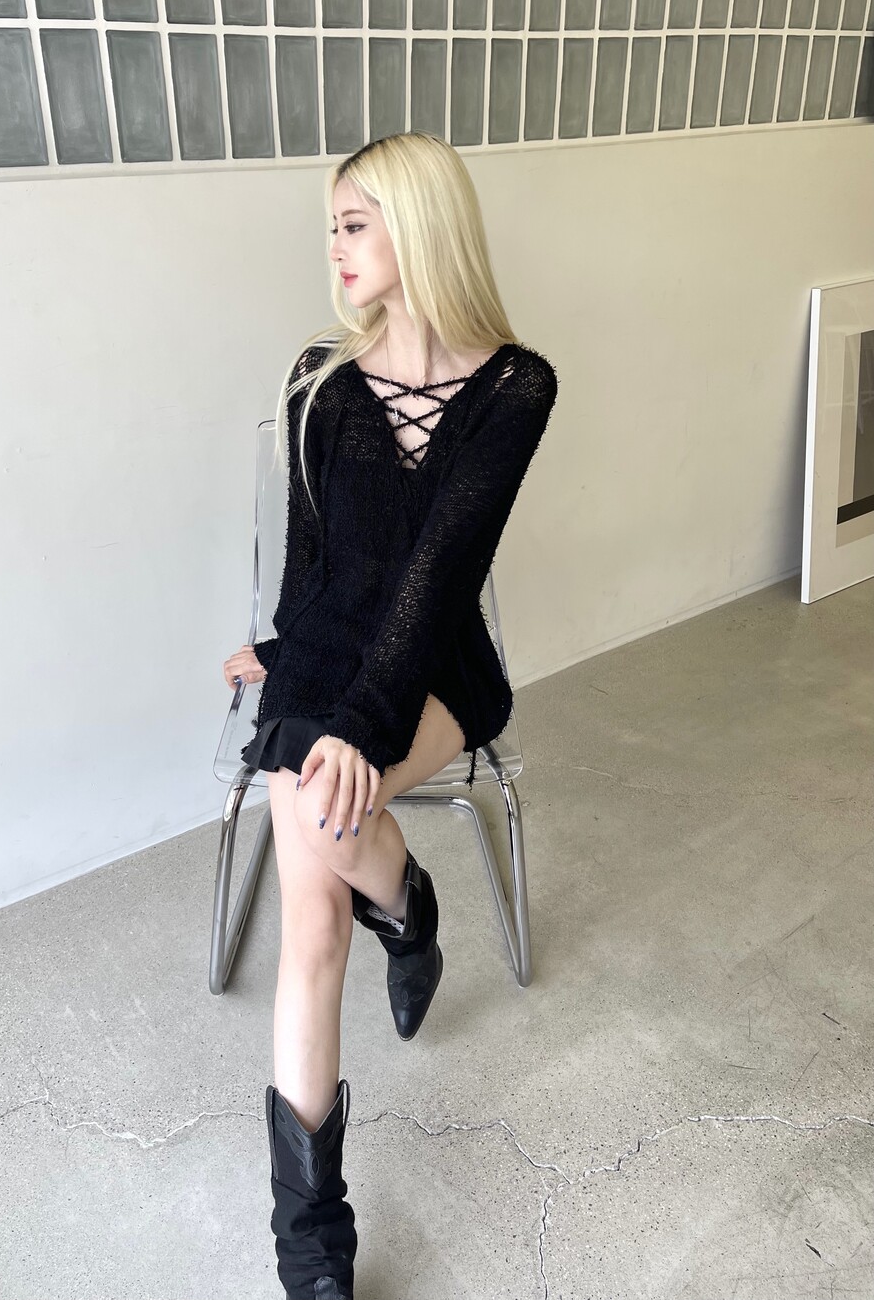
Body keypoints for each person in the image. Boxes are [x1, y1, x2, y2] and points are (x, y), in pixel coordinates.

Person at [222, 131, 558, 1300]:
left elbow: (438, 575)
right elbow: (312, 563)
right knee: (314, 913)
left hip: (436, 669)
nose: (335, 245)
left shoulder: (515, 386)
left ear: (418, 225)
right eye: (332, 225)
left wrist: (361, 727)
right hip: (326, 662)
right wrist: (285, 660)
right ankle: (312, 1238)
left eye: (354, 222)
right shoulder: (320, 375)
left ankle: (408, 910)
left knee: (319, 796)